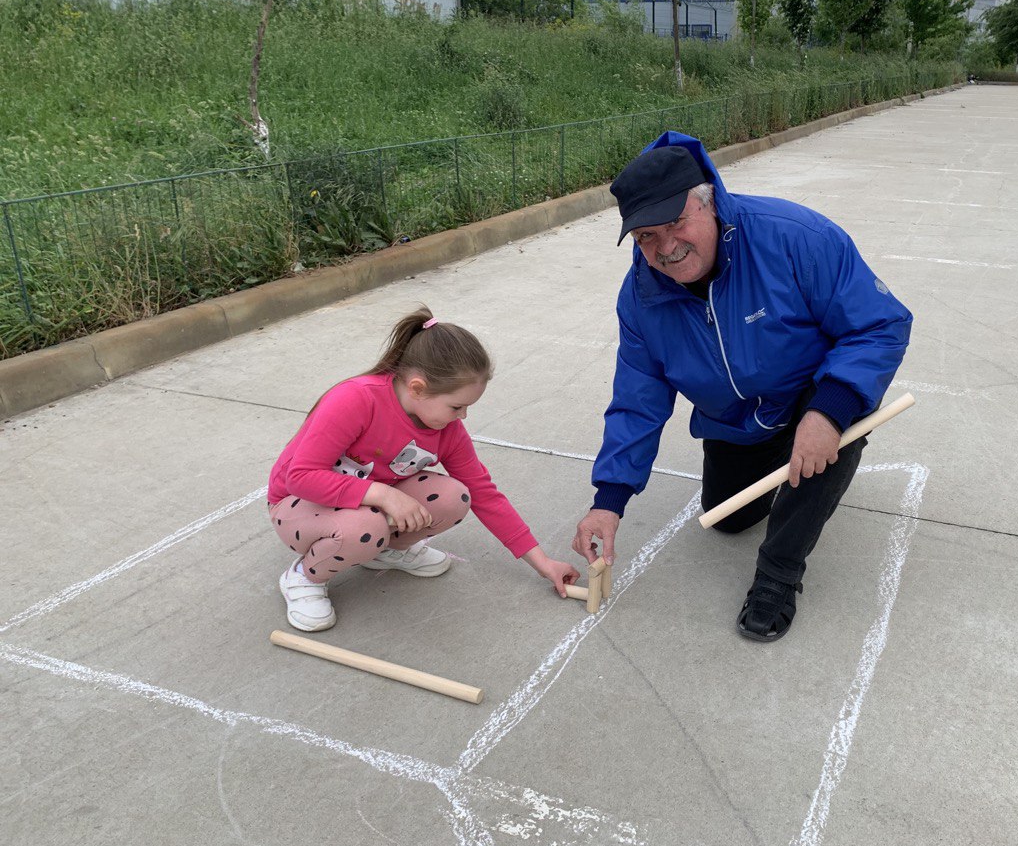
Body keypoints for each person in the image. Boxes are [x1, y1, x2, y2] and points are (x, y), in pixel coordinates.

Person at [572, 132, 912, 643]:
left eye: (676, 223)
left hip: (810, 396)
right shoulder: (640, 297)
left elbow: (878, 325)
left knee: (837, 428)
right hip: (735, 417)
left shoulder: (795, 237)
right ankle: (784, 458)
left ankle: (779, 573)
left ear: (708, 200)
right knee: (726, 517)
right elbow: (638, 400)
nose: (666, 248)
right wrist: (609, 498)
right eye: (646, 237)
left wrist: (827, 414)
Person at [268, 306, 579, 631]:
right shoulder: (356, 400)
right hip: (298, 505)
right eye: (457, 406)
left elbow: (483, 493)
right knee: (365, 526)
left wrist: (543, 564)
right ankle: (304, 576)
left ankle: (384, 551)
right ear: (417, 388)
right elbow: (301, 477)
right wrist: (382, 494)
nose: (463, 417)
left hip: (364, 502)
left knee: (453, 497)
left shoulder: (446, 429)